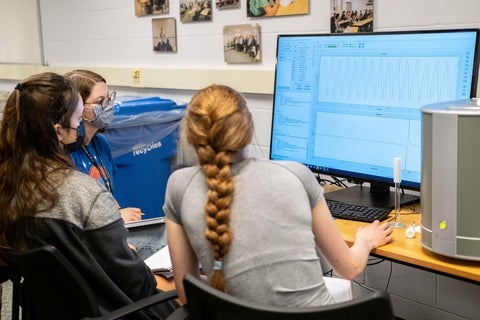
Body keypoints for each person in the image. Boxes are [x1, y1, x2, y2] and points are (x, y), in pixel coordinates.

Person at [164, 84, 393, 306]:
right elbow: (350, 268)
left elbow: (186, 294)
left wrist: (231, 288)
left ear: (190, 135)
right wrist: (365, 241)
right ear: (249, 128)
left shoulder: (179, 186)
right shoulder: (295, 174)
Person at [0, 72, 178, 318]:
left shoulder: (9, 185)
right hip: (117, 309)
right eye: (76, 121)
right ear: (58, 132)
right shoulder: (83, 193)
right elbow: (138, 284)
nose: (78, 131)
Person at [65, 69, 166, 260]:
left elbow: (106, 191)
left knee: (165, 230)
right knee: (164, 243)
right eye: (99, 102)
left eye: (109, 99)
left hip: (110, 227)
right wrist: (117, 217)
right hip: (91, 240)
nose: (108, 106)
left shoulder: (100, 143)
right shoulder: (66, 153)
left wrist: (118, 211)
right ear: (77, 108)